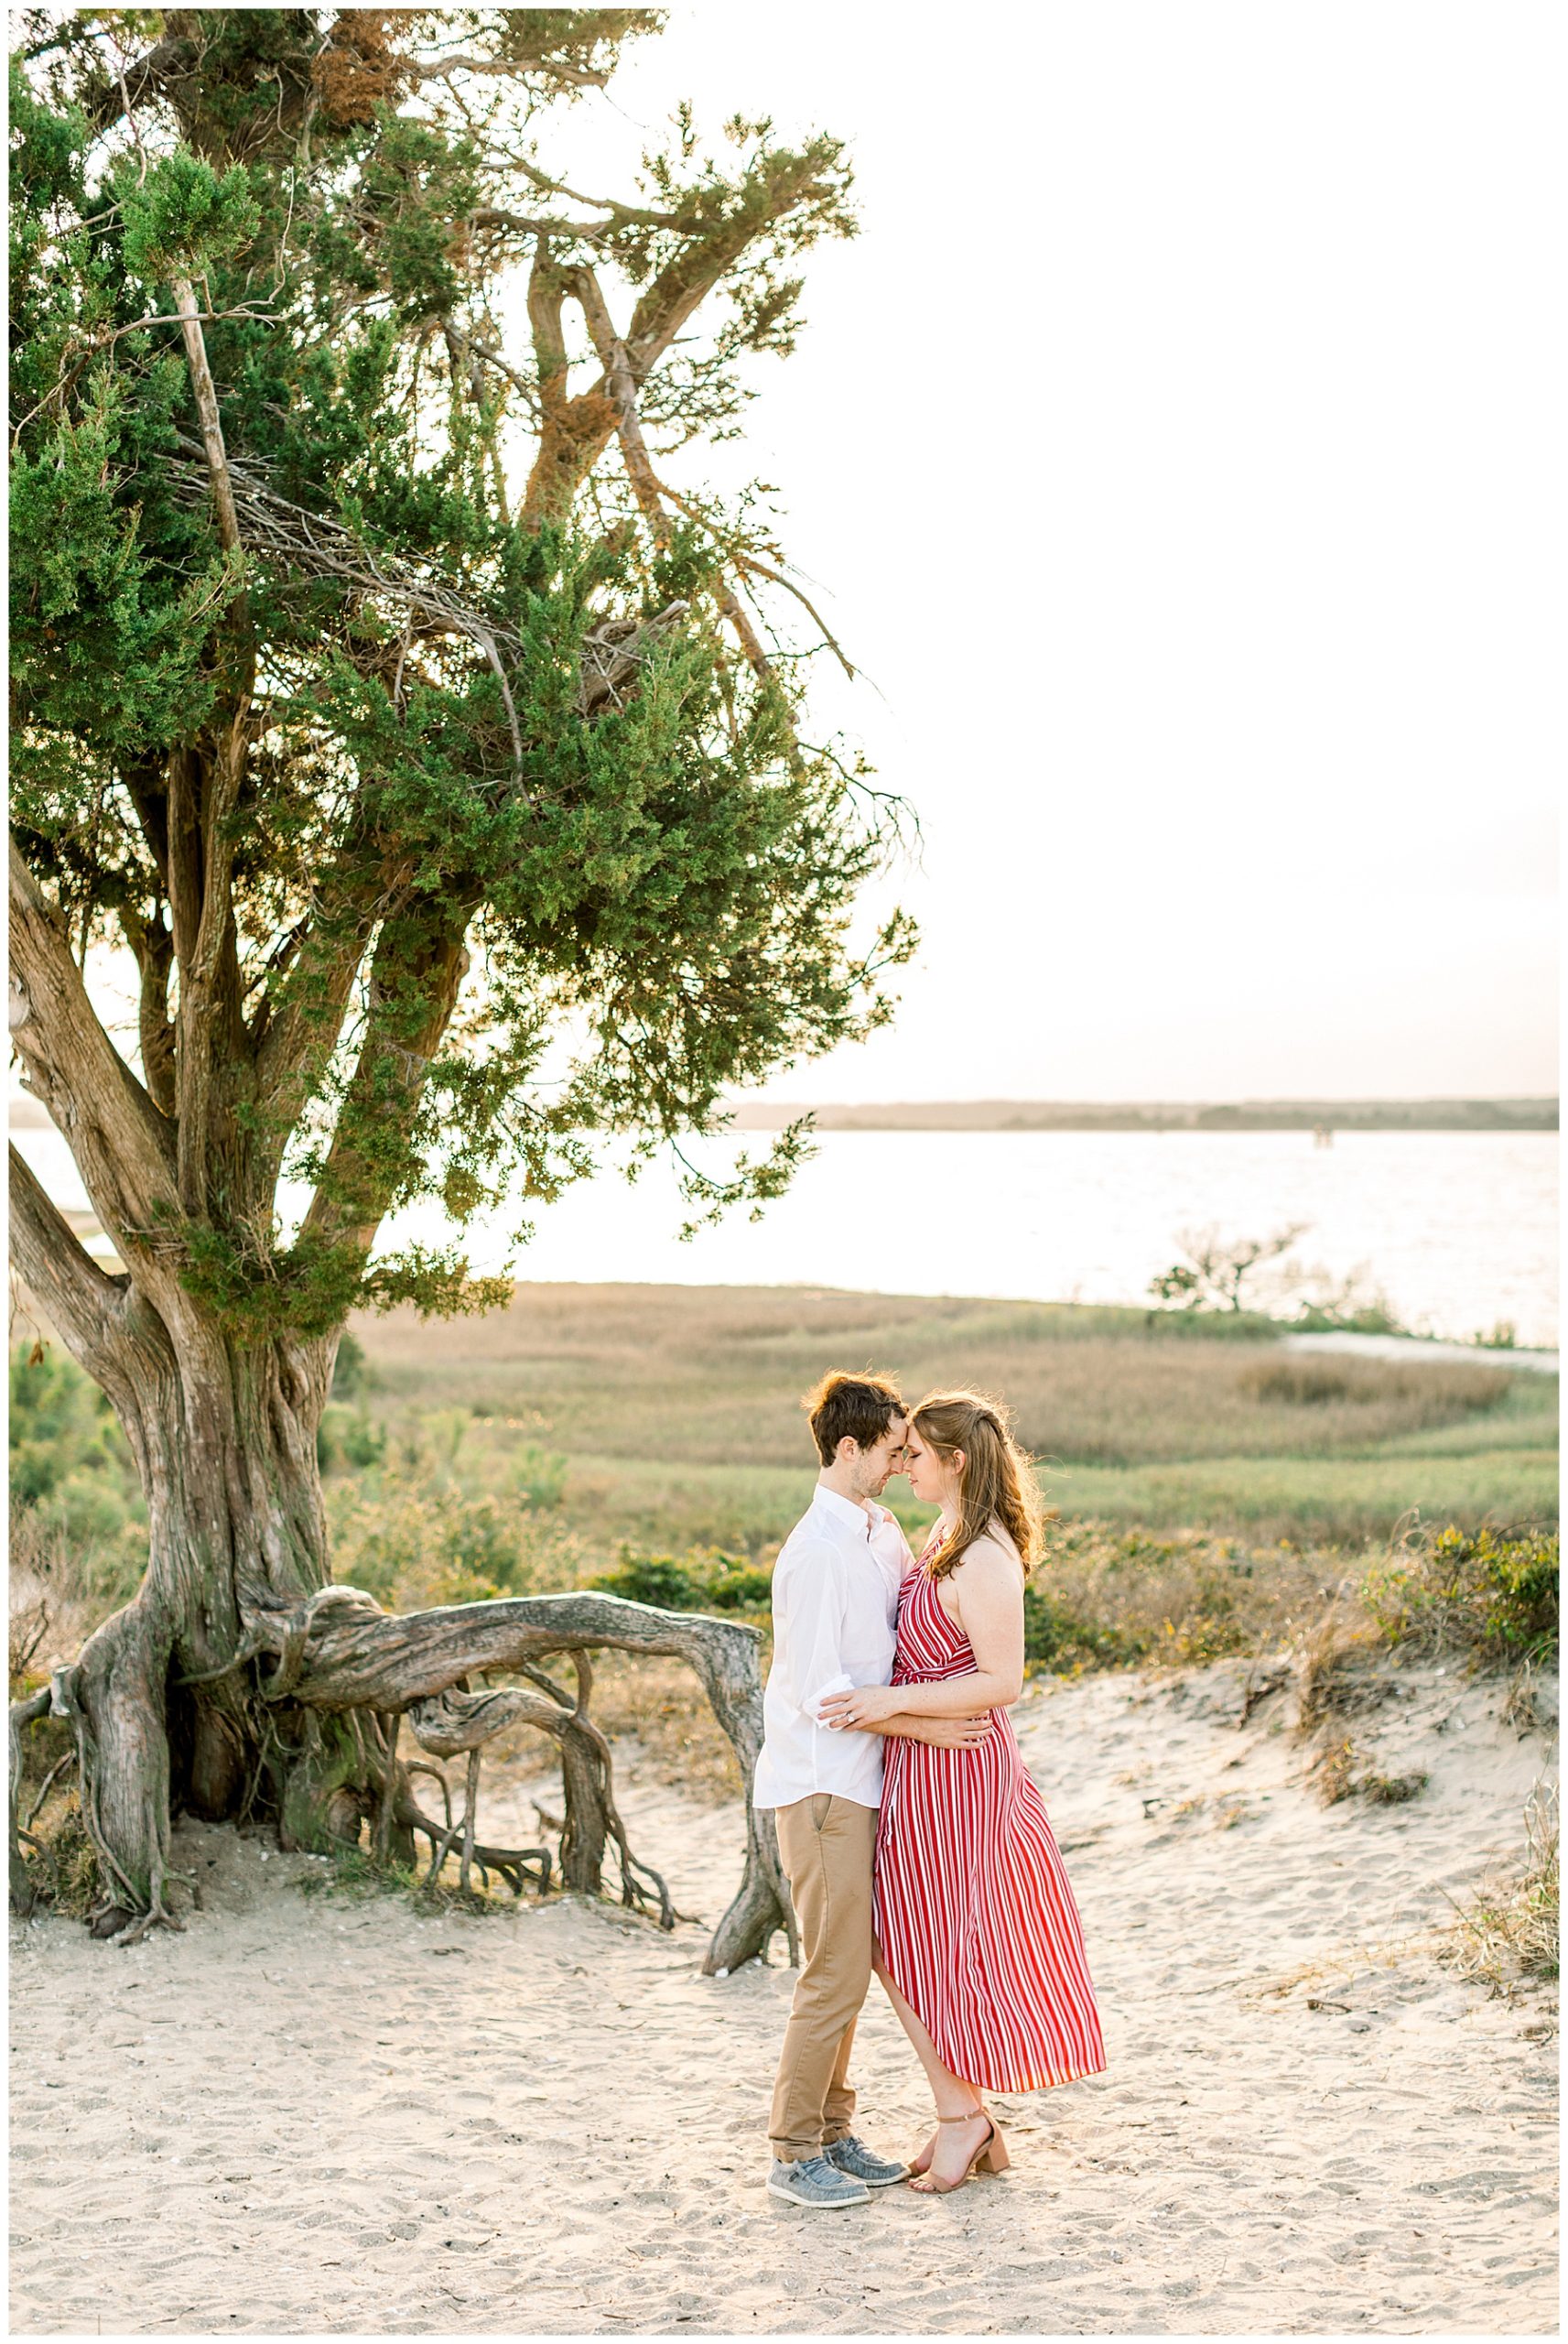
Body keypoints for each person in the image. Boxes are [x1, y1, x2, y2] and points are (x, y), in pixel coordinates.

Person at [819, 1388, 1107, 2194]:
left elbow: (1002, 1680)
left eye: (915, 1453)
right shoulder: (943, 1533)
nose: (901, 1463)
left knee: (919, 1944)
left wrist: (889, 1704)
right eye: (898, 1451)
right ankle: (964, 2114)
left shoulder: (982, 1552)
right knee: (905, 1942)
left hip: (961, 1772)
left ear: (955, 1461)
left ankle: (961, 2118)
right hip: (922, 1765)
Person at [753, 1370, 994, 2209]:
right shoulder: (816, 1555)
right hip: (821, 1784)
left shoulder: (880, 1528)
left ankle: (832, 2130)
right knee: (831, 1971)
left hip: (869, 1776)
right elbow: (825, 1697)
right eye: (891, 1450)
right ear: (847, 1448)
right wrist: (924, 1727)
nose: (900, 1463)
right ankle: (792, 2152)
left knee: (853, 1967)